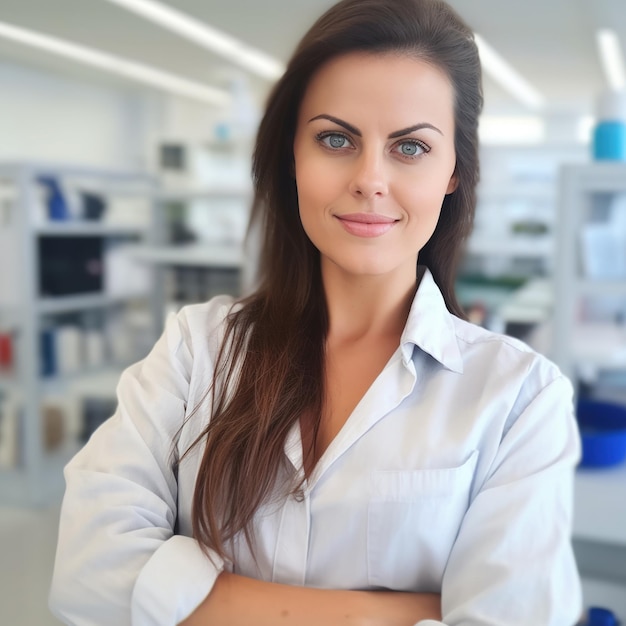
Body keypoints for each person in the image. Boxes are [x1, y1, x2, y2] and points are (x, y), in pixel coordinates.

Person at [49, 0, 583, 624]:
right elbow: (87, 581)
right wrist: (400, 612)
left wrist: (183, 600)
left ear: (453, 173)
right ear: (291, 158)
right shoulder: (198, 350)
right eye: (336, 139)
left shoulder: (520, 398)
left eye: (410, 147)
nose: (369, 179)